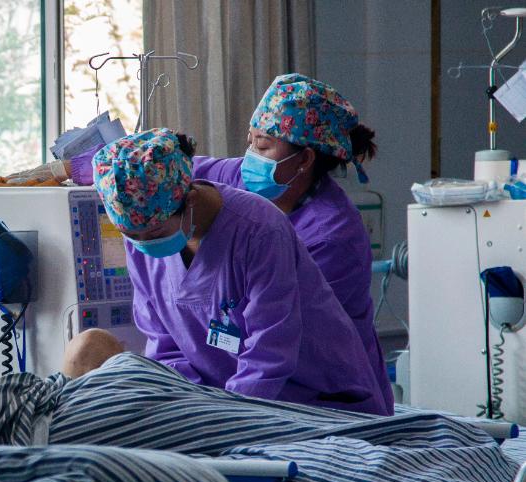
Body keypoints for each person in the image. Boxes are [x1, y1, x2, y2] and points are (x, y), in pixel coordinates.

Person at [13, 74, 391, 411]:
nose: (250, 157)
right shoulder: (186, 190)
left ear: (305, 158)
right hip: (220, 383)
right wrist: (68, 168)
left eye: (263, 146)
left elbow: (277, 346)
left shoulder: (322, 233)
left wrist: (219, 416)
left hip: (312, 390)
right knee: (88, 350)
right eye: (250, 141)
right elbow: (146, 168)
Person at [89, 128, 390, 415]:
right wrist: (186, 407)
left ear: (190, 200)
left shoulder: (261, 231)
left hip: (312, 399)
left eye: (155, 233)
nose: (143, 245)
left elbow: (269, 353)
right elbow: (164, 345)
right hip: (221, 401)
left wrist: (226, 417)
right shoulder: (142, 227)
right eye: (131, 235)